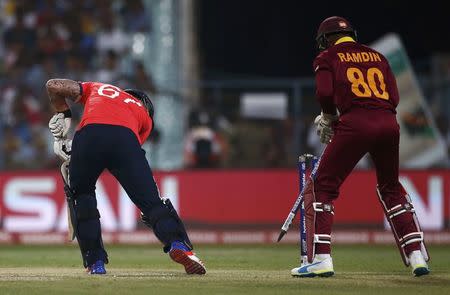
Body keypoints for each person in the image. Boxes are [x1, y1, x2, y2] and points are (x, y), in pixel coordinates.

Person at [291, 16, 430, 278]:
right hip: (389, 124)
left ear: (326, 39)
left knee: (323, 186)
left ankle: (322, 258)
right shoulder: (378, 57)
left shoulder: (327, 58)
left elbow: (324, 93)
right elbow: (395, 97)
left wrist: (330, 116)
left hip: (355, 123)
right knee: (390, 187)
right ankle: (416, 255)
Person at [46, 79, 206, 275]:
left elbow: (53, 85)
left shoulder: (100, 88)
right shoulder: (145, 118)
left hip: (89, 135)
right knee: (152, 204)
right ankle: (179, 245)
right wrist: (150, 209)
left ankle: (95, 263)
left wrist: (63, 114)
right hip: (125, 139)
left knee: (82, 197)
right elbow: (125, 151)